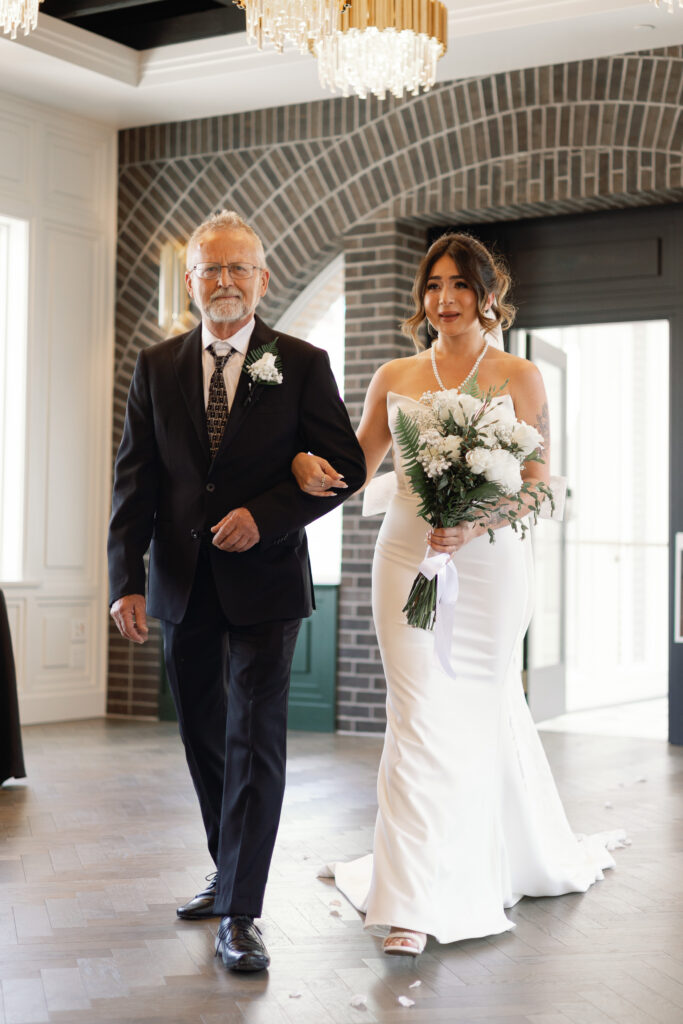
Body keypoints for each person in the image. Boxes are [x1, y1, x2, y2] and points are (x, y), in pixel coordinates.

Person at [292, 232, 625, 957]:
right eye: (433, 285)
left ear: (487, 295)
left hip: (491, 567)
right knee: (415, 717)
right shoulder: (394, 375)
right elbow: (357, 465)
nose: (444, 299)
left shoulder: (519, 376)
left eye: (460, 285)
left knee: (474, 714)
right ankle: (409, 899)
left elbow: (538, 486)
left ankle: (482, 857)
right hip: (406, 556)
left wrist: (475, 522)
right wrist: (300, 464)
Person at [108, 210, 365, 972]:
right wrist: (126, 578)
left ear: (261, 277)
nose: (224, 282)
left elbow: (343, 466)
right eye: (209, 269)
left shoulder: (302, 362)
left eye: (237, 268)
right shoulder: (156, 366)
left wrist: (269, 514)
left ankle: (241, 914)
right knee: (204, 736)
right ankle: (230, 868)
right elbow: (135, 480)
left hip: (267, 584)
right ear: (190, 281)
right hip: (181, 583)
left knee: (256, 739)